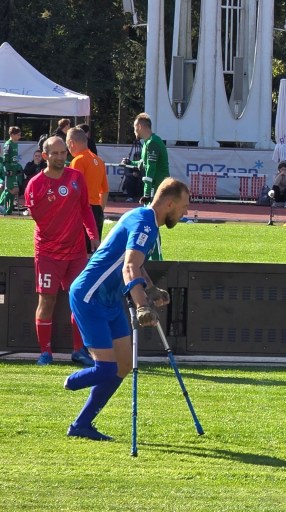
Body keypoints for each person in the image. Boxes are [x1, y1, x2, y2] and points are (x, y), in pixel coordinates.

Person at [63, 178, 190, 441]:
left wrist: (151, 289)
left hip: (110, 300)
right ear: (169, 203)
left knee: (123, 365)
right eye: (184, 206)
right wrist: (142, 306)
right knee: (106, 369)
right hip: (90, 297)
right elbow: (129, 267)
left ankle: (81, 425)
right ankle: (70, 381)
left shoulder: (147, 220)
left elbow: (137, 264)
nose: (185, 212)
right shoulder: (145, 223)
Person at [24, 137, 100, 367]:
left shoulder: (76, 178)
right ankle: (45, 352)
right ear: (44, 156)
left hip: (76, 252)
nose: (60, 157)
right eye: (55, 153)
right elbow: (38, 218)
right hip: (48, 253)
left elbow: (85, 209)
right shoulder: (35, 184)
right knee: (47, 300)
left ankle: (79, 350)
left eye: (63, 152)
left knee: (79, 299)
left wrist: (93, 236)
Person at [67, 127, 109, 242]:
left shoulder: (78, 161)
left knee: (79, 249)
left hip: (82, 210)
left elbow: (75, 189)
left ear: (71, 143)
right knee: (94, 248)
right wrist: (100, 210)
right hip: (97, 210)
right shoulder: (99, 161)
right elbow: (105, 190)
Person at [121, 113, 169, 204]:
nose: (134, 131)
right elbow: (144, 163)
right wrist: (130, 162)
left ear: (139, 126)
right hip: (155, 188)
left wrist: (147, 194)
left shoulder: (152, 142)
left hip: (158, 189)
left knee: (153, 212)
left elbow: (151, 168)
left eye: (134, 128)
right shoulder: (148, 143)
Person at [1, 126, 23, 215]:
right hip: (9, 172)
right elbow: (5, 159)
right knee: (11, 189)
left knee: (15, 190)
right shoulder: (8, 144)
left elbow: (15, 159)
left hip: (14, 172)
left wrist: (17, 169)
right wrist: (7, 170)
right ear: (12, 134)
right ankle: (1, 205)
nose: (19, 137)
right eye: (18, 135)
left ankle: (9, 210)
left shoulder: (16, 144)